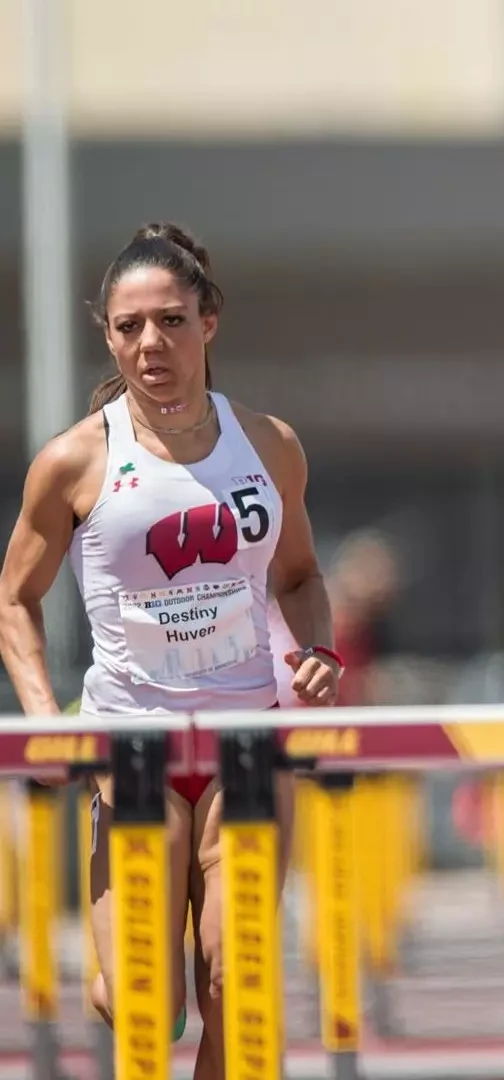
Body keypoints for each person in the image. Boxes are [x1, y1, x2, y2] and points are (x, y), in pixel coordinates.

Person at [0, 223, 341, 1075]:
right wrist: (46, 721)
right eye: (129, 327)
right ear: (108, 335)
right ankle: (116, 980)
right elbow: (14, 599)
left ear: (208, 321)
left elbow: (298, 576)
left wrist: (320, 650)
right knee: (145, 1003)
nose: (151, 344)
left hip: (247, 741)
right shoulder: (76, 462)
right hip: (133, 749)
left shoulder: (268, 445)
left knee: (238, 980)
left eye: (171, 321)